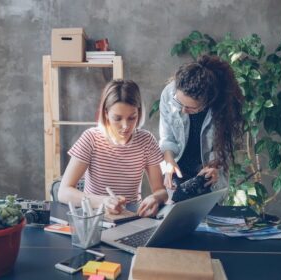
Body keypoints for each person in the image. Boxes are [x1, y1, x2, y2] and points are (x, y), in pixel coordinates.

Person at [58, 79, 168, 217]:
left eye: (132, 118)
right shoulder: (91, 138)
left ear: (139, 113)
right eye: (117, 118)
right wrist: (104, 201)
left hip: (132, 218)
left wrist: (155, 198)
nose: (125, 126)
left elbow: (161, 191)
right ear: (106, 113)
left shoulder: (146, 140)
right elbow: (63, 192)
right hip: (97, 218)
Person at [159, 55, 244, 192]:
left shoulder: (226, 107)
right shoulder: (169, 94)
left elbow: (224, 147)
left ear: (208, 102)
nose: (183, 110)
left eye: (191, 108)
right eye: (179, 103)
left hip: (207, 176)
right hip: (177, 171)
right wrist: (169, 162)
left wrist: (214, 167)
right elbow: (167, 137)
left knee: (208, 210)